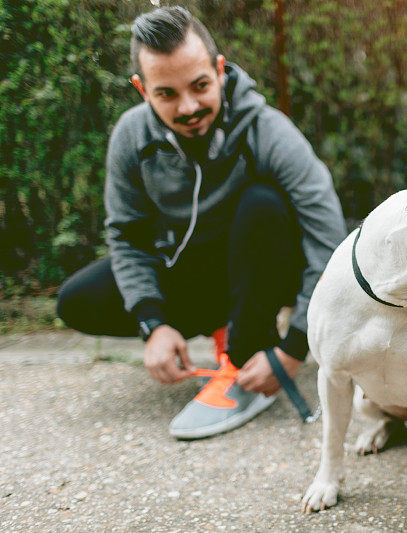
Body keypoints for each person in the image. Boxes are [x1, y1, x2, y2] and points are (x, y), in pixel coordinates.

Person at [56, 6, 347, 439]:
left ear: (220, 69)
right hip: (195, 269)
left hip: (268, 267)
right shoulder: (132, 137)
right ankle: (226, 324)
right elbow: (127, 236)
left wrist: (294, 348)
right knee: (77, 299)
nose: (189, 107)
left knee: (263, 203)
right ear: (142, 89)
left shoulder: (268, 131)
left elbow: (328, 239)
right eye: (167, 94)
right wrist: (153, 324)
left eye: (200, 86)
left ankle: (243, 353)